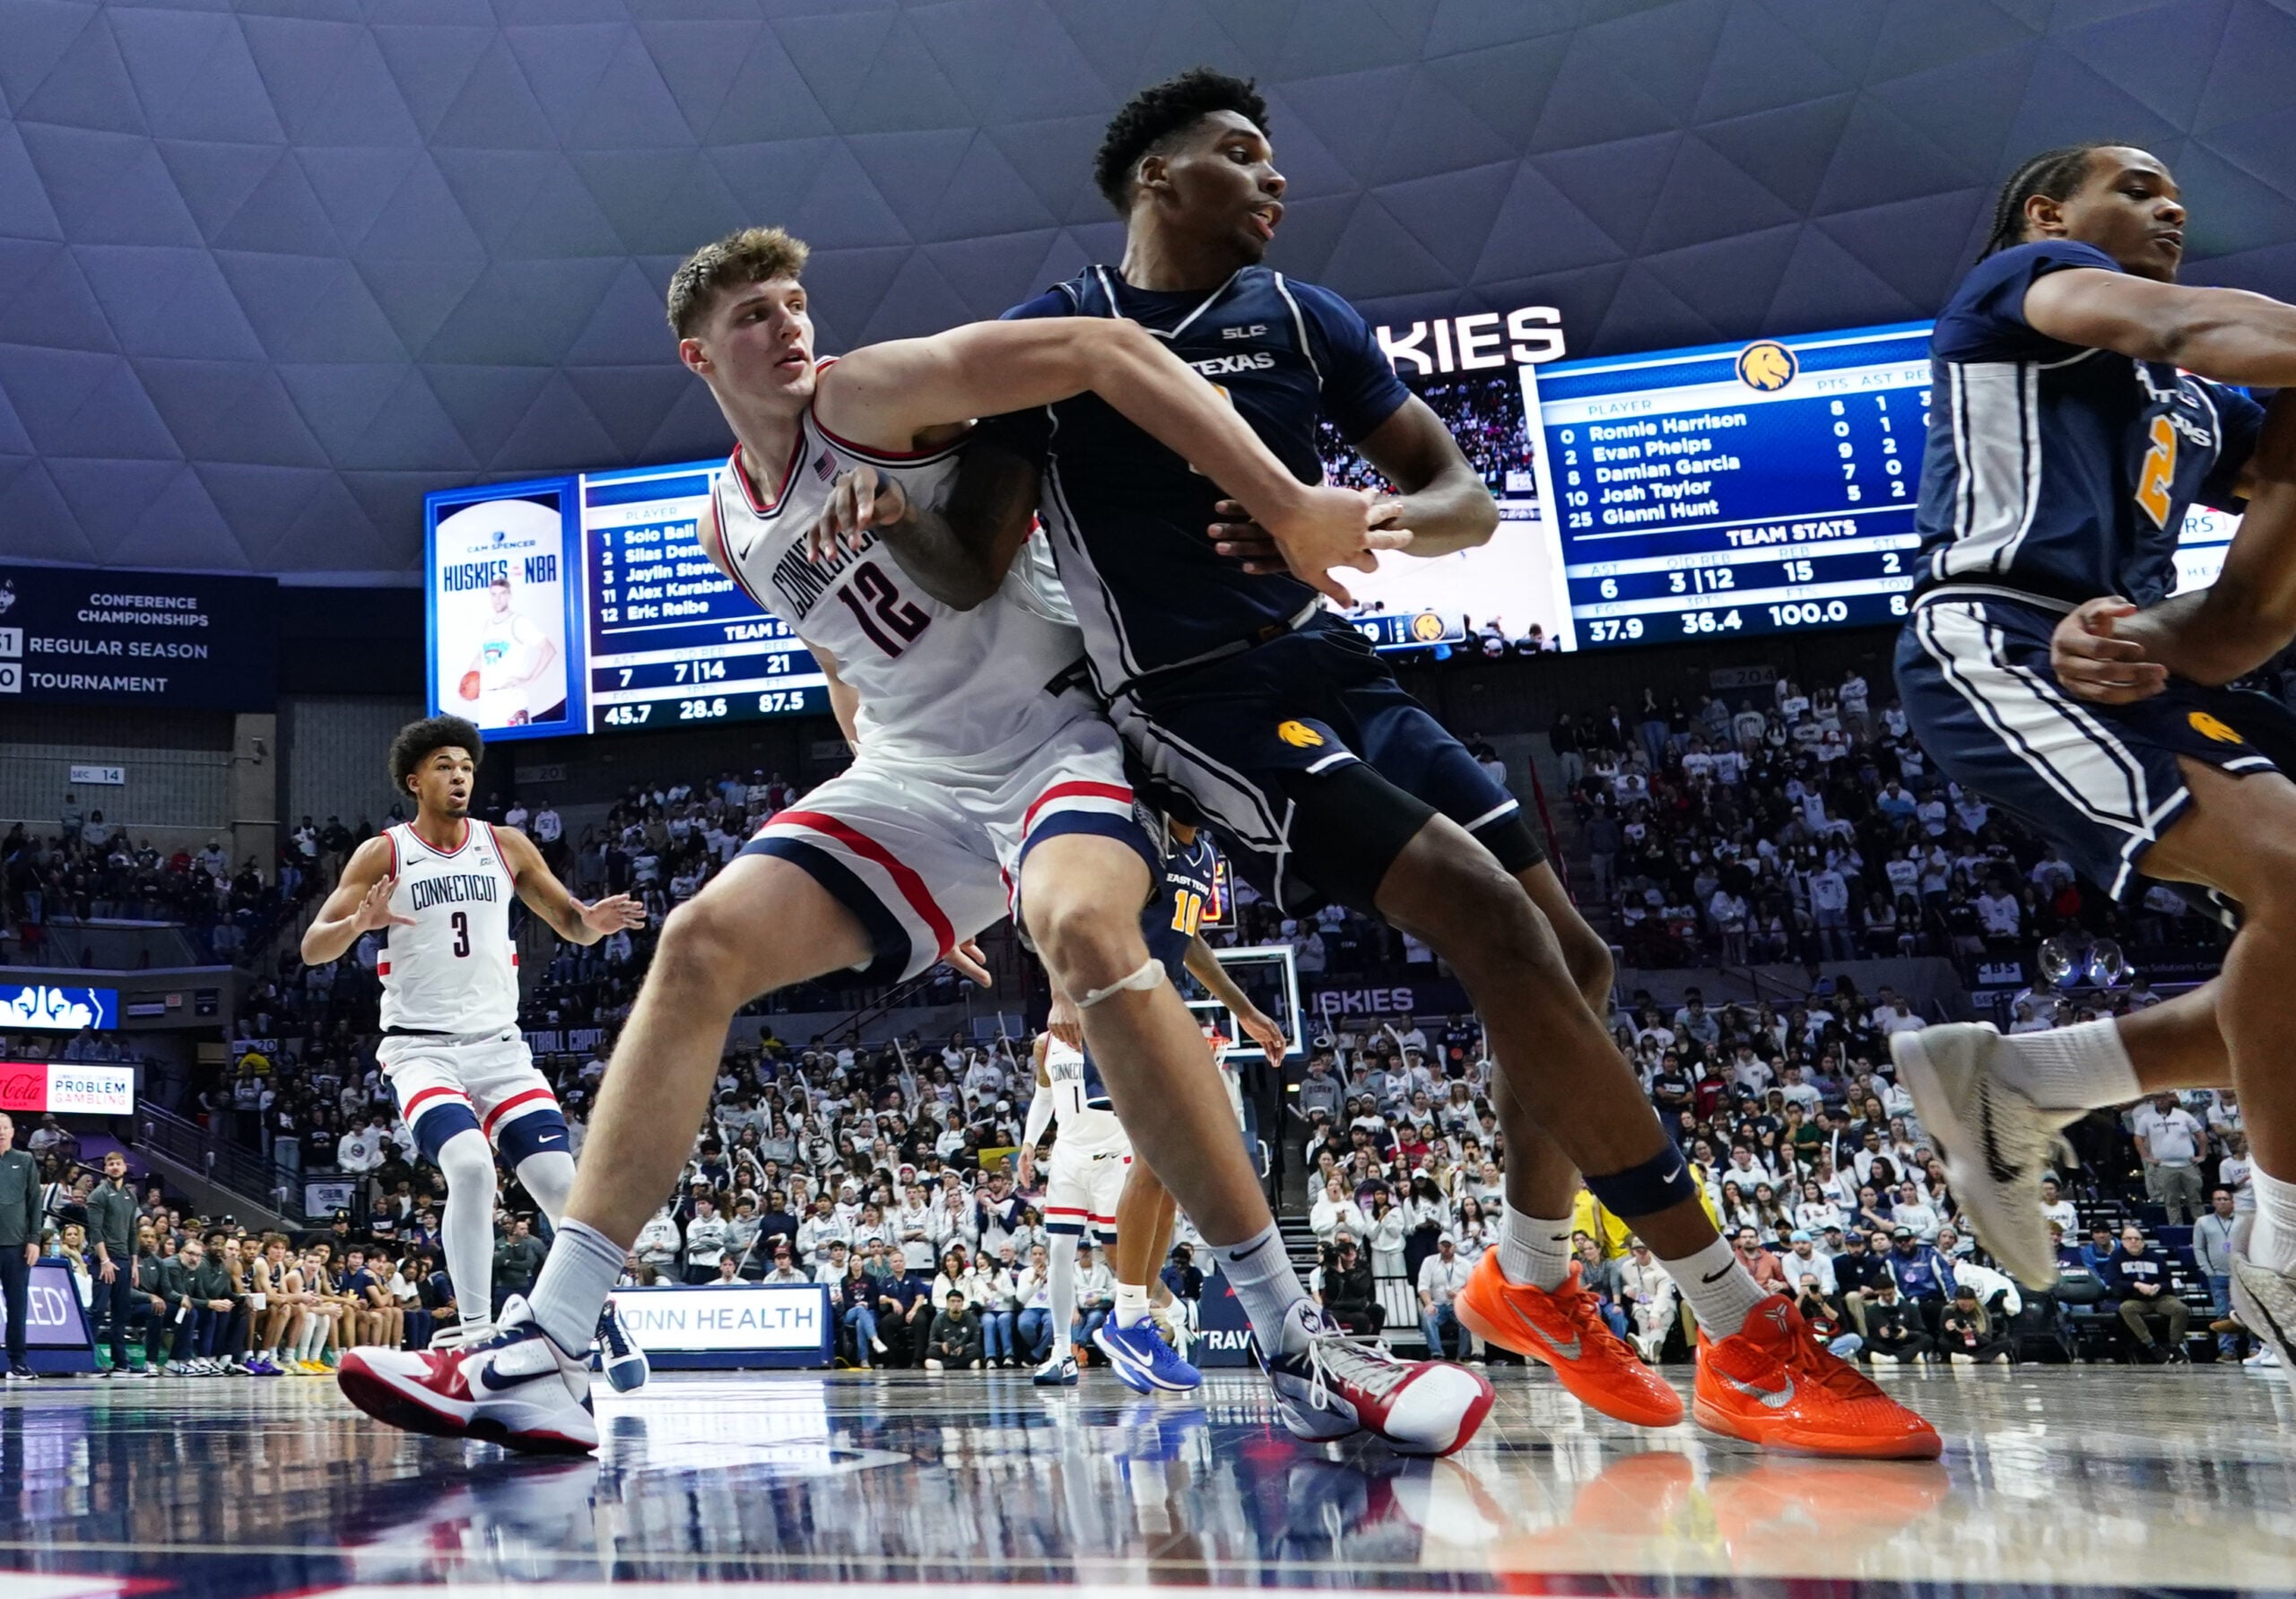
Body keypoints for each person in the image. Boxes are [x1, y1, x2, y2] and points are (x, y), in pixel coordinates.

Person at [832, 65, 1931, 1460]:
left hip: (1337, 666)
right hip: (1196, 699)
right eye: (1243, 155)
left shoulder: (1306, 317)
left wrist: (1376, 520)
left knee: (1572, 956)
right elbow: (971, 554)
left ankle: (1527, 1279)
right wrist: (876, 511)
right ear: (1160, 179)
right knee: (1484, 914)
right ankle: (1737, 1323)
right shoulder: (1062, 333)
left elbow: (1464, 496)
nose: (1278, 178)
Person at [342, 224, 1482, 1456]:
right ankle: (553, 1344)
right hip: (908, 774)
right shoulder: (727, 521)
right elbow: (843, 656)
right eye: (754, 317)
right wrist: (905, 883)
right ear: (696, 354)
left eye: (794, 302)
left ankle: (1298, 1339)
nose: (788, 326)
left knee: (1088, 929)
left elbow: (1100, 346)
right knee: (698, 939)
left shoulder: (868, 392)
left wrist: (1287, 501)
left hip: (1059, 737)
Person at [1884, 143, 2296, 1375]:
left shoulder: (2195, 405)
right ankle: (2280, 1253)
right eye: (2137, 187)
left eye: (2176, 194)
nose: (2171, 205)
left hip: (2121, 660)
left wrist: (2162, 629)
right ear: (2051, 214)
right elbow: (2184, 320)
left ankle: (2028, 1079)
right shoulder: (2028, 282)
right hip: (1995, 632)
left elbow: (2246, 620)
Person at [308, 716, 649, 1393]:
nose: (459, 775)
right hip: (422, 1051)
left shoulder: (507, 844)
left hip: (500, 1049)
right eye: (444, 765)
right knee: (469, 1166)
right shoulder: (385, 853)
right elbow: (314, 945)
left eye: (465, 764)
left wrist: (593, 922)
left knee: (563, 1188)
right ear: (415, 780)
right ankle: (474, 1329)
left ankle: (599, 1315)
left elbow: (570, 922)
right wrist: (358, 923)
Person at [86, 1150, 138, 1377]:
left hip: (125, 1260)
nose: (115, 1167)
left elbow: (133, 1231)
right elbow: (95, 1230)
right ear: (105, 1169)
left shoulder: (130, 1195)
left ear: (125, 1167)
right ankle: (86, 1360)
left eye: (118, 1164)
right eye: (110, 1164)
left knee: (121, 1312)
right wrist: (105, 1260)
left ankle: (120, 1362)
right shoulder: (98, 1195)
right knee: (97, 1311)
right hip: (103, 1260)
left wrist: (135, 1263)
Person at [2109, 1222, 2190, 1362]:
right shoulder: (2117, 1258)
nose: (2133, 1241)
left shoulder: (2155, 1257)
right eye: (2128, 1239)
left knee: (2181, 1309)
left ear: (2143, 1241)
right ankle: (2152, 1346)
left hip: (2159, 1298)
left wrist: (2158, 1286)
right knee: (2126, 1308)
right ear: (2122, 1241)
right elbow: (2113, 1281)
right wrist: (2136, 1285)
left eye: (2137, 1238)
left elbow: (2168, 1280)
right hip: (2135, 1299)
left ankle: (2175, 1346)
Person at [0, 1116, 36, 1381]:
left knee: (17, 1305)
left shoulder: (24, 1161)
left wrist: (34, 1239)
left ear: (12, 1132)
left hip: (16, 1246)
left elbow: (35, 1202)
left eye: (4, 1128)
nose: (0, 1132)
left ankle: (18, 1362)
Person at [1417, 1234, 1471, 1360]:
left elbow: (1471, 1288)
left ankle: (1463, 1355)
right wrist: (1428, 1303)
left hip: (1458, 1304)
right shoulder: (1429, 1262)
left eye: (1449, 1246)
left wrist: (1459, 1296)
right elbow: (1423, 1286)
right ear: (1438, 1246)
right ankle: (1437, 1353)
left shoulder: (1465, 1264)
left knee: (1468, 1320)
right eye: (1443, 1245)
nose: (1446, 1249)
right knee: (1428, 1316)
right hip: (1438, 1303)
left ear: (1455, 1247)